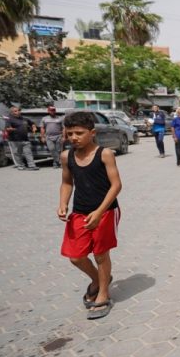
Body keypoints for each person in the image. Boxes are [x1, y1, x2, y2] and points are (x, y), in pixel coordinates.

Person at [58, 111, 122, 320]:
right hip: (80, 212)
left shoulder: (104, 154)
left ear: (92, 133)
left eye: (79, 133)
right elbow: (67, 182)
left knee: (101, 254)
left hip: (105, 211)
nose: (74, 137)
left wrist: (100, 211)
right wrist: (63, 204)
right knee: (76, 256)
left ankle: (103, 293)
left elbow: (116, 185)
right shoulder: (67, 156)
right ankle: (98, 279)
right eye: (70, 134)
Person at [4, 106, 39, 170]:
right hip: (14, 140)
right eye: (16, 111)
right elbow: (7, 128)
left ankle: (32, 166)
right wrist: (10, 129)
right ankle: (20, 166)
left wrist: (34, 127)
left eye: (19, 110)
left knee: (28, 153)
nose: (18, 112)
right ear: (12, 113)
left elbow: (32, 123)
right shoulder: (9, 120)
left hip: (25, 139)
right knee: (17, 154)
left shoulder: (25, 119)